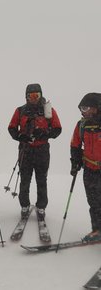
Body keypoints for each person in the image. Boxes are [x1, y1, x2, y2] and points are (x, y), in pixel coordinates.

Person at [8, 83, 62, 220]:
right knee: (25, 179)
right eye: (30, 96)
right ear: (26, 97)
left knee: (41, 179)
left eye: (36, 95)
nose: (33, 98)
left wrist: (45, 134)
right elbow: (12, 128)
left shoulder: (48, 111)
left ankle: (41, 207)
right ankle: (24, 206)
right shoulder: (20, 110)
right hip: (25, 150)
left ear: (41, 95)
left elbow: (57, 129)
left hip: (42, 150)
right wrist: (20, 136)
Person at [70, 93, 101, 241]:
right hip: (89, 170)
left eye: (86, 108)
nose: (83, 111)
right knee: (94, 203)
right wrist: (75, 162)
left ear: (97, 108)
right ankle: (97, 230)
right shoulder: (82, 125)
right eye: (81, 108)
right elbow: (75, 144)